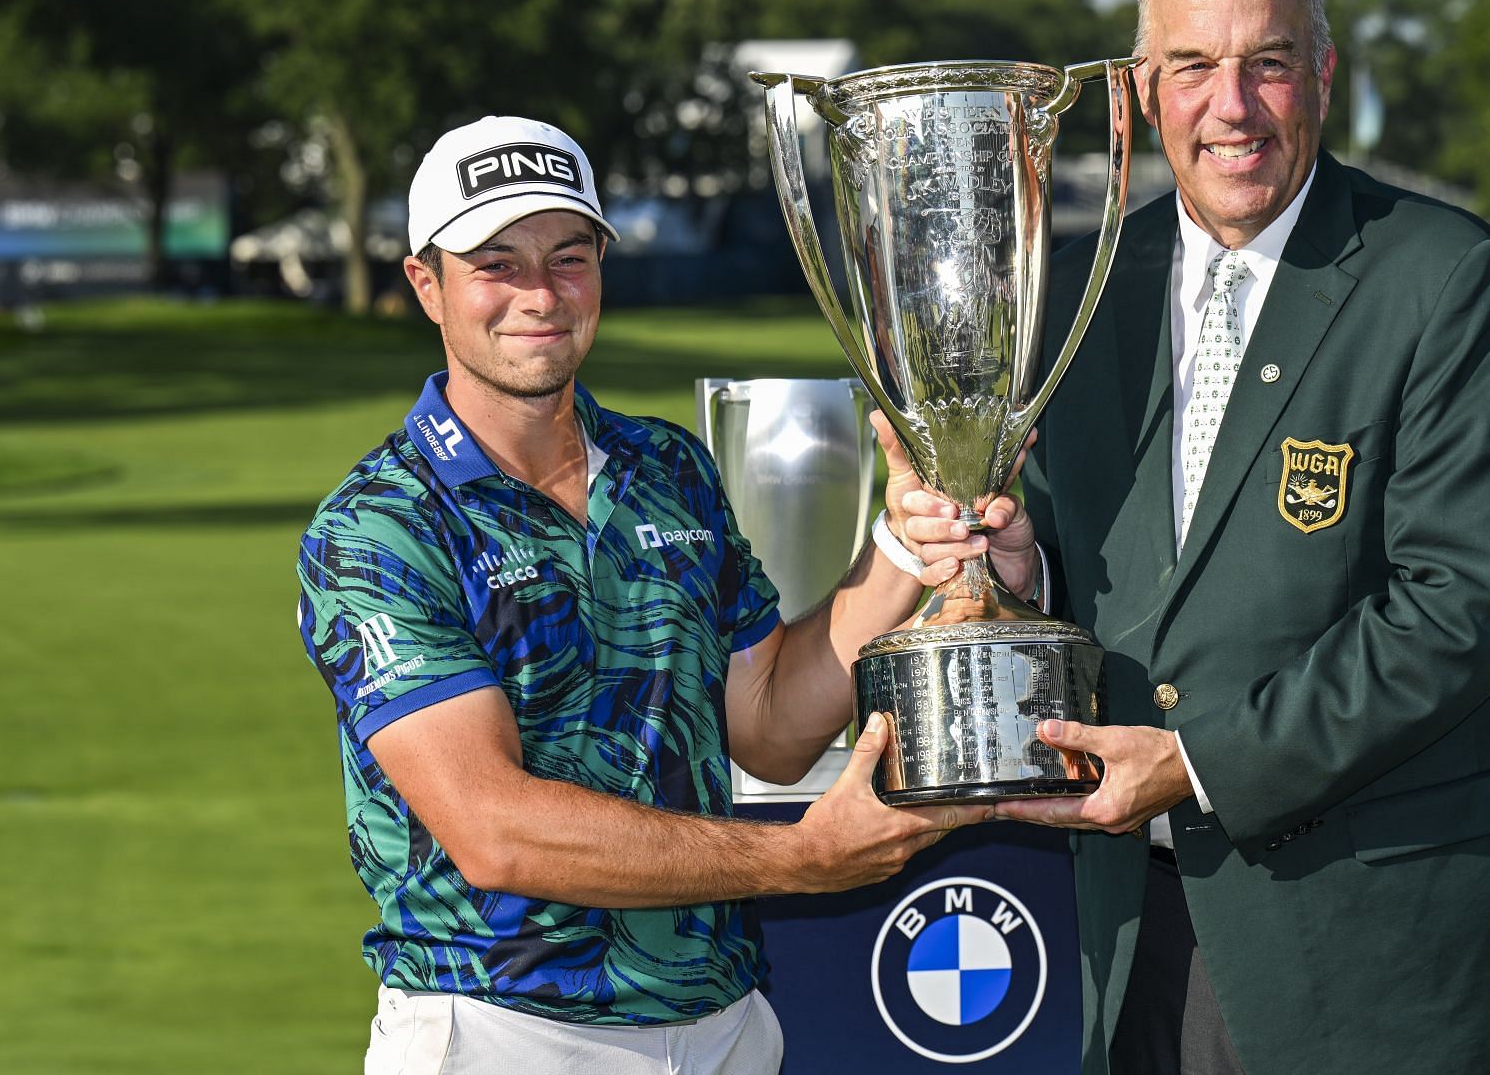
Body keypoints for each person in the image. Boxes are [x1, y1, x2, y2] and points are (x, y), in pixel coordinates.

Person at [897, 0, 1490, 1074]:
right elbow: (1083, 556)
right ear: (1141, 91)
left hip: (1373, 951)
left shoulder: (1450, 281)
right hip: (1133, 936)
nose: (1233, 106)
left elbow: (1457, 610)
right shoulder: (1081, 285)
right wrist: (1015, 571)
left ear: (1322, 74)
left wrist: (1198, 759)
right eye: (1194, 67)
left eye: (1267, 61)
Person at [295, 115, 985, 1075]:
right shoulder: (378, 526)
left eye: (568, 256)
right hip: (505, 1031)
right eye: (496, 263)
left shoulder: (670, 467)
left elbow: (774, 725)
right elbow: (495, 829)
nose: (539, 294)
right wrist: (795, 860)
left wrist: (900, 551)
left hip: (725, 1027)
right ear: (427, 285)